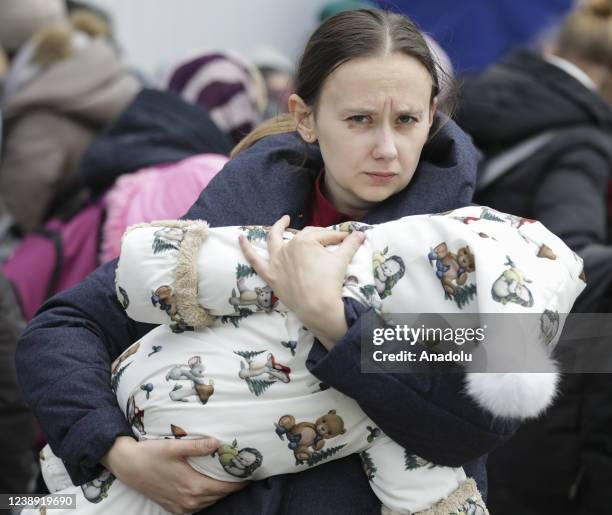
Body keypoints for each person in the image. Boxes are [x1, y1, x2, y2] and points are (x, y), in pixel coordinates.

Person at [17, 9, 522, 514]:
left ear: (431, 116)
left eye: (406, 120)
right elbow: (63, 325)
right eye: (359, 119)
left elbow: (485, 410)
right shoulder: (226, 224)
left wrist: (334, 321)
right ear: (305, 117)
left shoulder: (476, 247)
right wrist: (117, 452)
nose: (386, 148)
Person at [454, 0, 612, 512]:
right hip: (506, 361)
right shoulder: (582, 142)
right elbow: (572, 255)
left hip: (417, 332)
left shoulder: (474, 94)